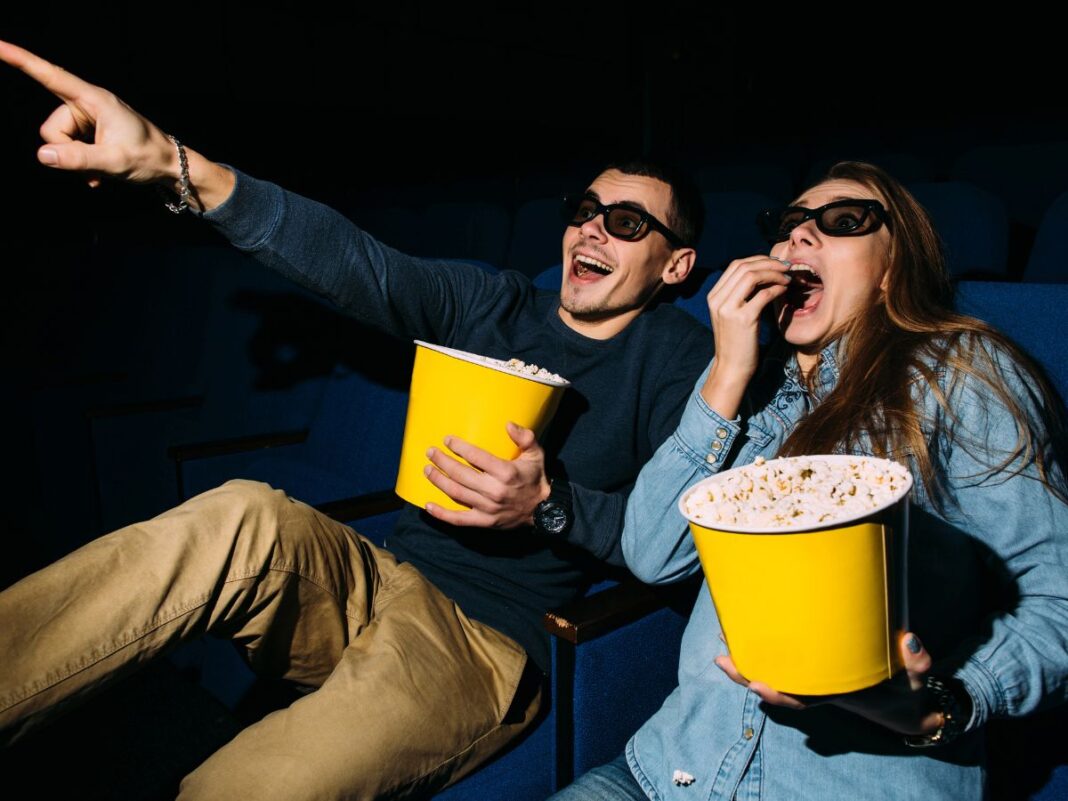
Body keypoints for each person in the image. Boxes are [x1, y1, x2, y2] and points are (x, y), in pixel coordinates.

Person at [0, 40, 714, 799]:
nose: (593, 230)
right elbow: (362, 266)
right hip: (380, 574)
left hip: (481, 643)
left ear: (675, 265)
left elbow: (687, 537)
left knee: (243, 784)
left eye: (629, 223)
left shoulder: (681, 359)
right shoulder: (500, 302)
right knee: (241, 512)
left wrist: (548, 505)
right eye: (586, 210)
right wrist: (181, 168)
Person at [551, 161, 1068, 800]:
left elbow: (1058, 597)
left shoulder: (954, 374)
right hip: (665, 772)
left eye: (843, 221)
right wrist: (726, 375)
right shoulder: (750, 391)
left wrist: (941, 706)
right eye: (789, 223)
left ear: (891, 270)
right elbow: (653, 554)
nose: (799, 237)